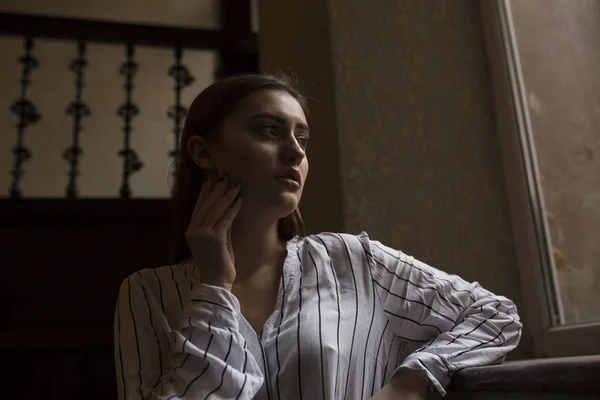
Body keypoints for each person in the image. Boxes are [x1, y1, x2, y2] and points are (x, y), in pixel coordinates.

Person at [113, 73, 522, 400]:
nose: (295, 153)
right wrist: (214, 287)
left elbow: (495, 315)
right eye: (269, 131)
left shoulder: (354, 261)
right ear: (202, 152)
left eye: (302, 139)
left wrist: (410, 383)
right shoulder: (146, 293)